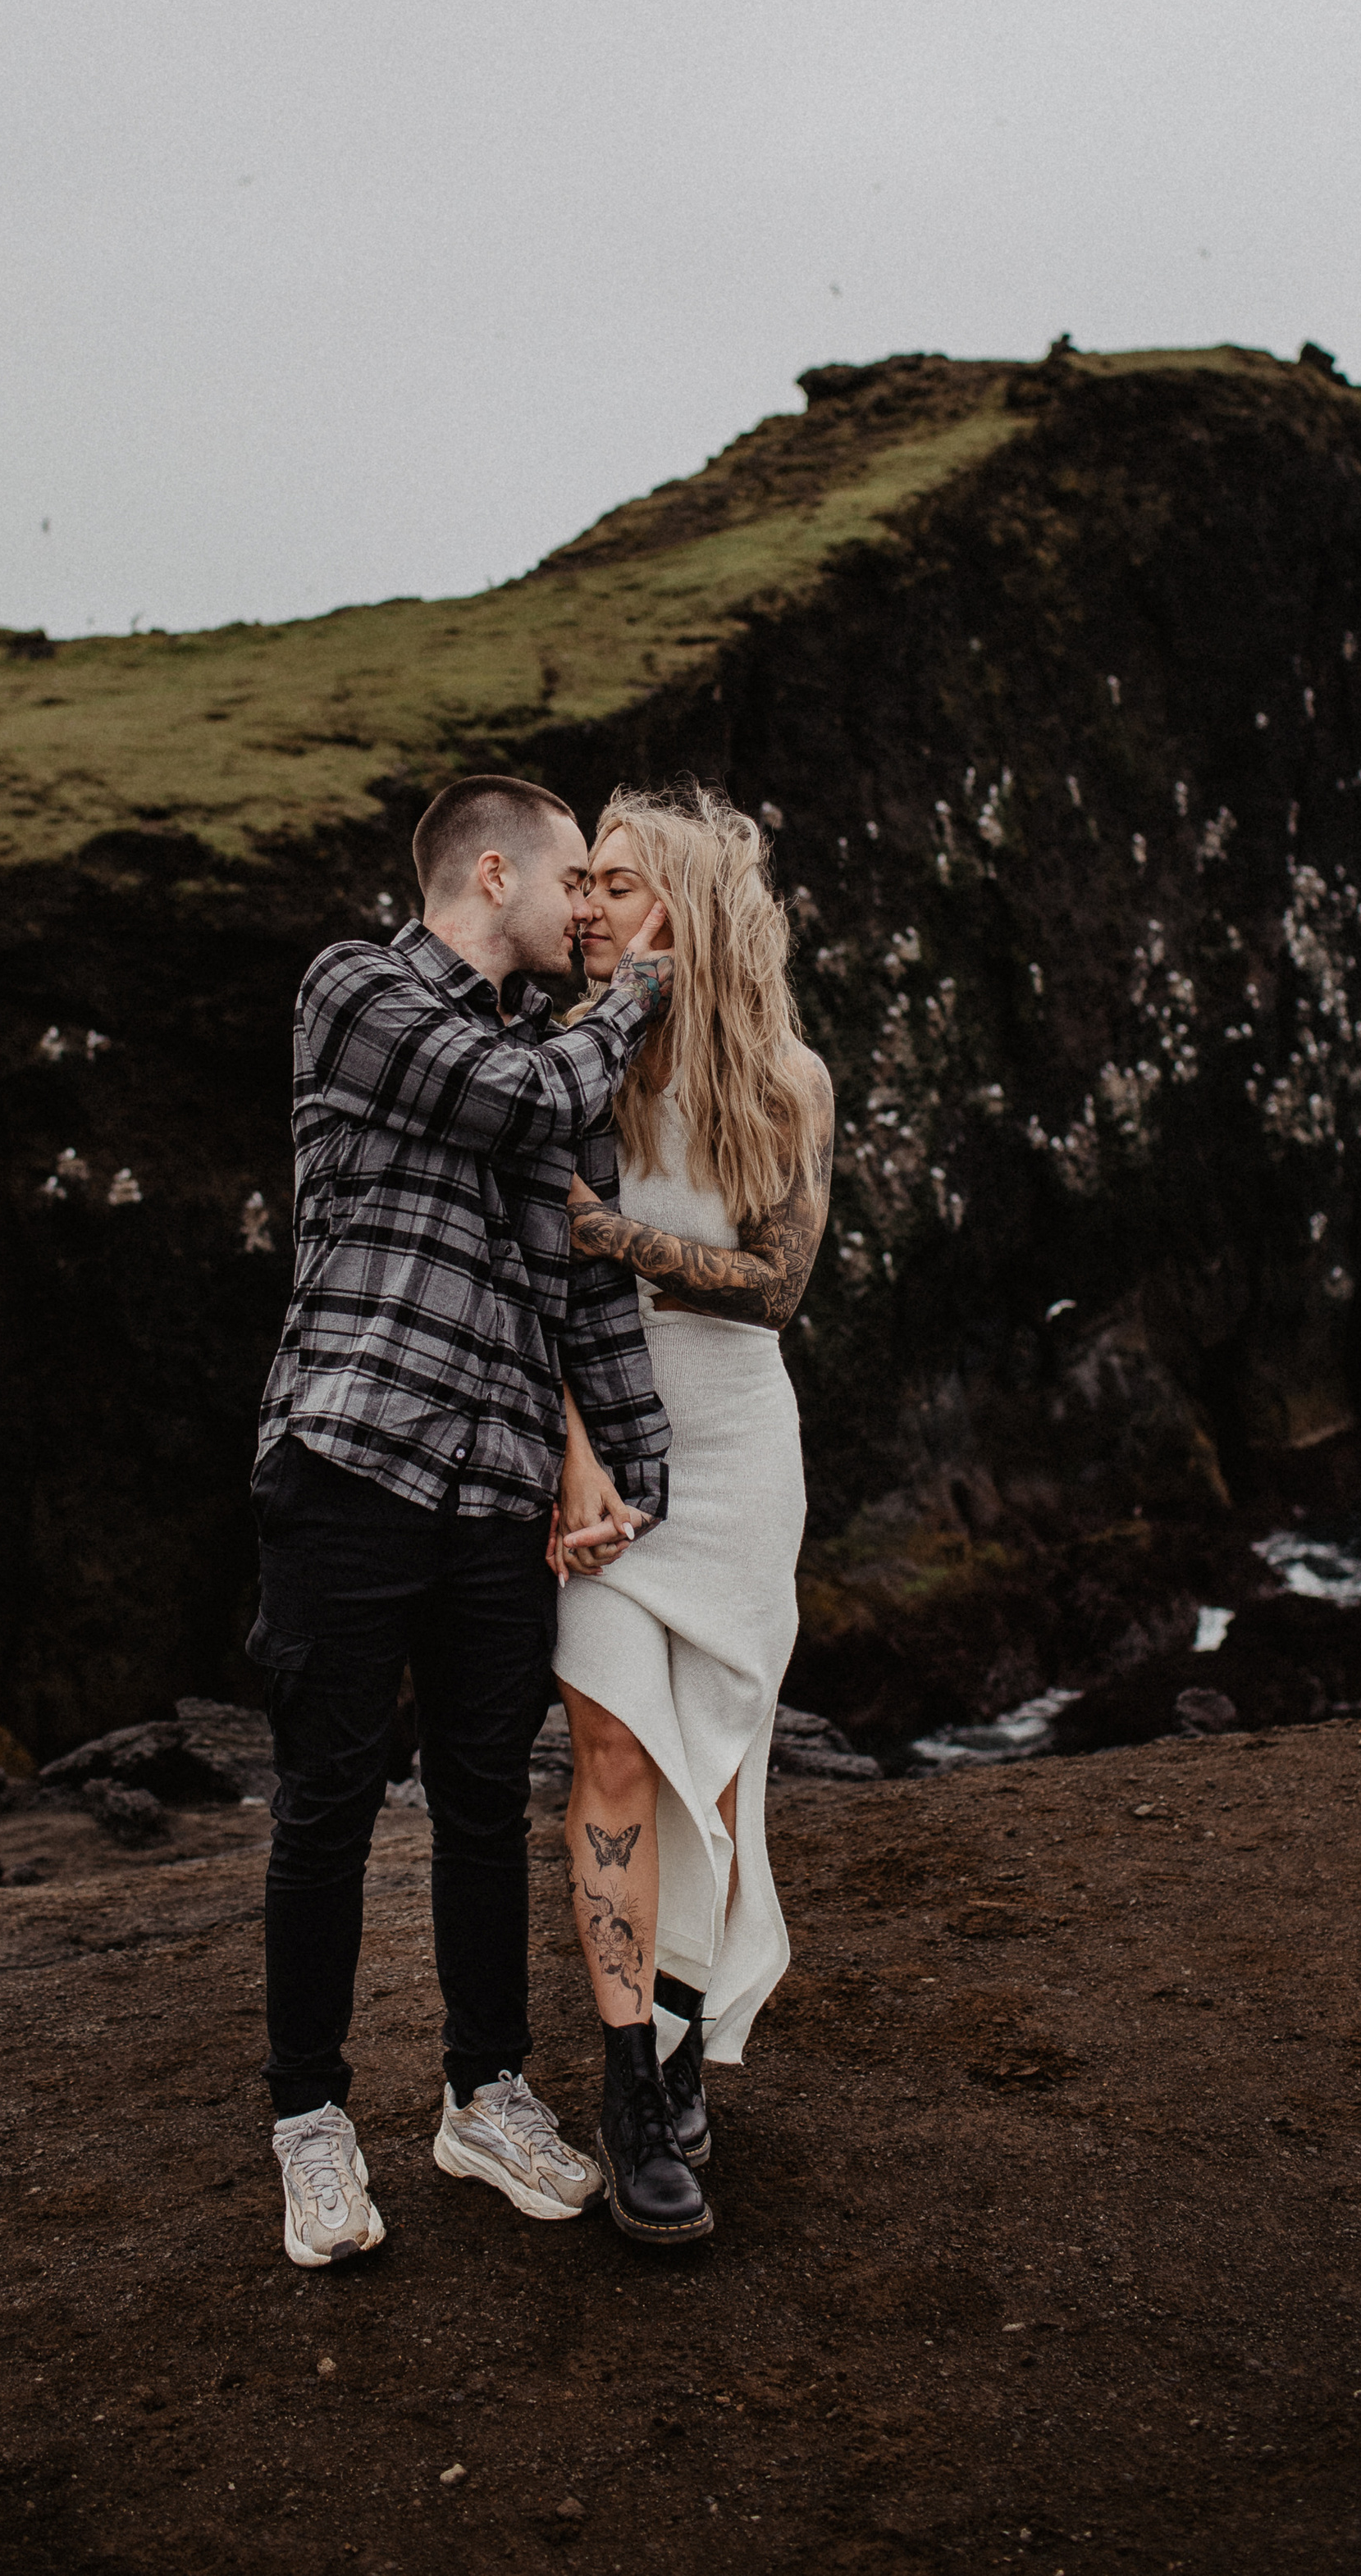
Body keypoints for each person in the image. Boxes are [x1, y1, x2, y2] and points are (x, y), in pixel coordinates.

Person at [250, 771, 675, 2269]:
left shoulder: (542, 1049)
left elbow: (583, 1286)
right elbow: (528, 1104)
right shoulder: (358, 990)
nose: (586, 911)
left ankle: (485, 2095)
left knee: (484, 1801)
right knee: (327, 1804)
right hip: (354, 1455)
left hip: (498, 1484)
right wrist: (640, 997)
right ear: (493, 875)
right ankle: (310, 2123)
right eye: (572, 884)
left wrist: (632, 1473)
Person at [550, 783, 834, 2245]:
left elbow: (780, 1288)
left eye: (616, 882)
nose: (582, 905)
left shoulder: (784, 1078)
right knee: (609, 1742)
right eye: (579, 883)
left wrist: (618, 1237)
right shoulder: (561, 1072)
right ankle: (627, 2091)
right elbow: (528, 1299)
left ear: (690, 905)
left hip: (735, 1448)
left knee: (714, 1764)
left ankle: (674, 2039)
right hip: (602, 1453)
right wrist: (567, 1457)